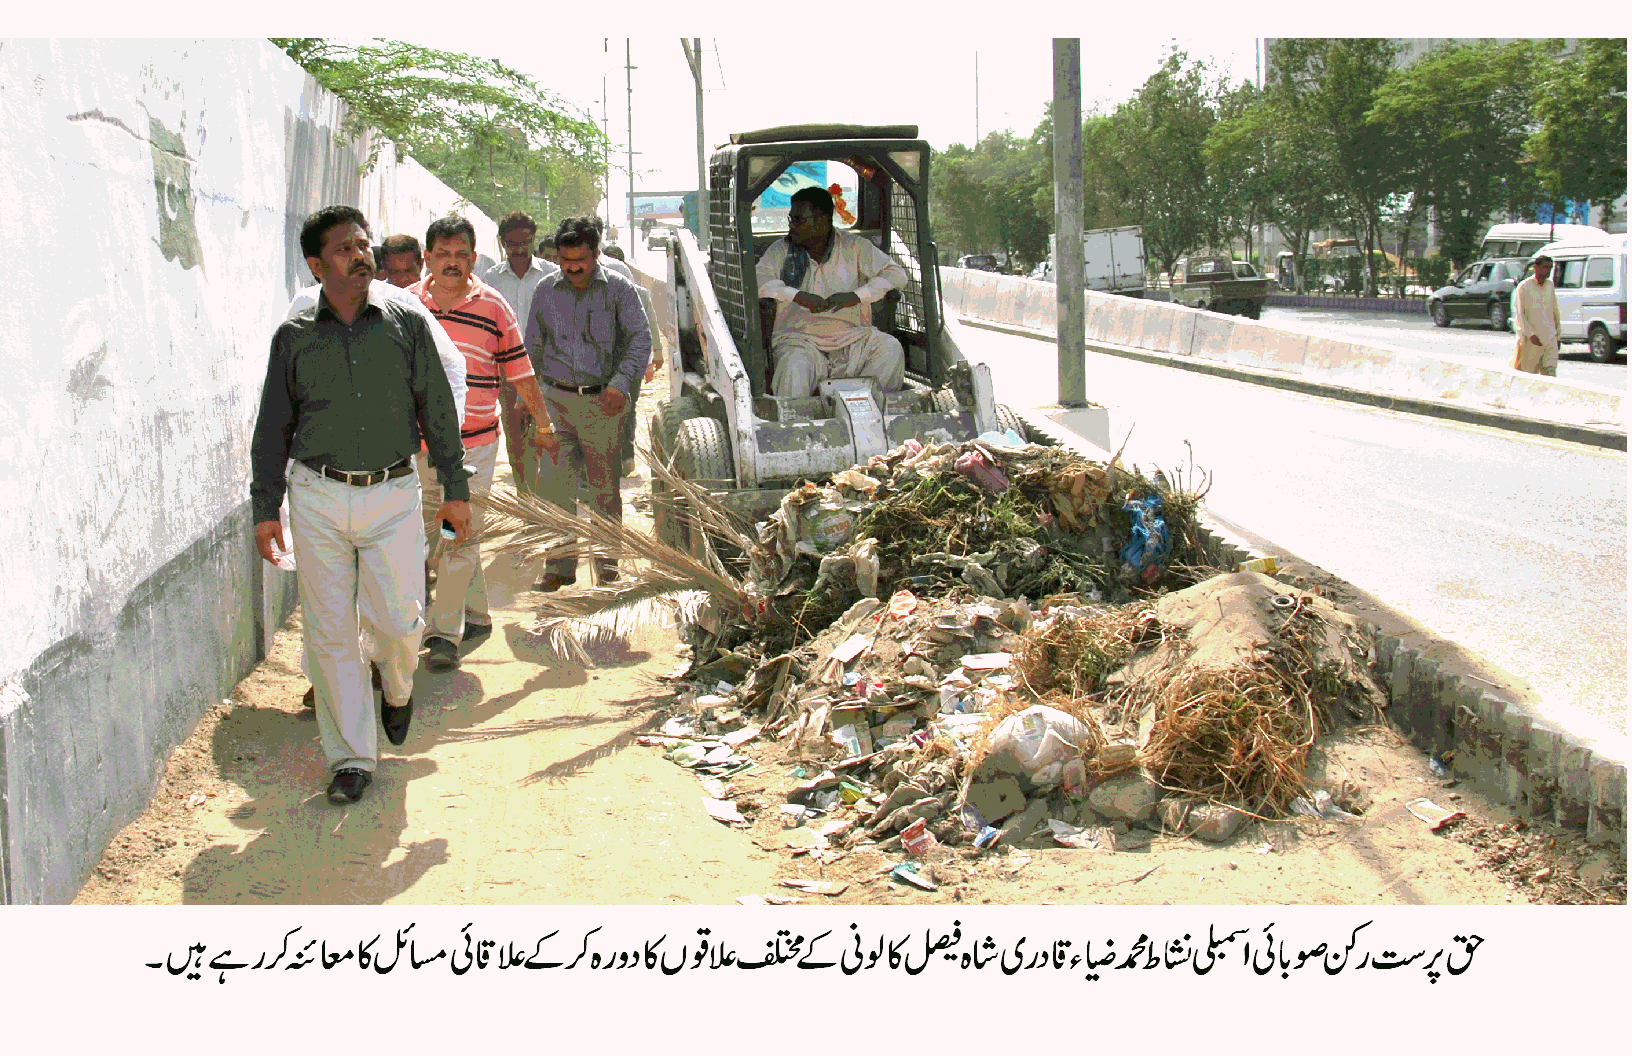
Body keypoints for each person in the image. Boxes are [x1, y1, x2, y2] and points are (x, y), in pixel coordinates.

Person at [250, 205, 472, 806]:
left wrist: (455, 491)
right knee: (330, 634)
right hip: (318, 496)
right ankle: (351, 757)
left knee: (399, 623)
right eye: (344, 248)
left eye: (362, 244)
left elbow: (438, 409)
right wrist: (266, 506)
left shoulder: (406, 322)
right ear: (317, 264)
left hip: (393, 493)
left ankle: (397, 690)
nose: (360, 255)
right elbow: (273, 424)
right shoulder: (295, 336)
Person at [283, 241, 468, 714]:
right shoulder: (303, 309)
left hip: (389, 479)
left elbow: (450, 370)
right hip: (322, 480)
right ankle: (329, 683)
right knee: (329, 597)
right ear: (319, 266)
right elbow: (285, 392)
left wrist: (431, 443)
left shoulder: (402, 311)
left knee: (389, 594)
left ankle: (389, 674)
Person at [414, 214, 554, 672]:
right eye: (443, 254)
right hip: (417, 449)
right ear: (427, 258)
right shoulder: (406, 307)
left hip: (473, 446)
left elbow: (520, 371)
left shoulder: (494, 307)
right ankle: (474, 614)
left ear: (474, 258)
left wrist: (544, 423)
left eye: (460, 254)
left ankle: (442, 635)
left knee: (458, 534)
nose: (451, 263)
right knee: (432, 534)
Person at [522, 215, 651, 591]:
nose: (573, 267)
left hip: (603, 405)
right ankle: (558, 567)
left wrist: (621, 384)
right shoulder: (545, 291)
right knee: (553, 487)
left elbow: (640, 339)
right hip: (556, 403)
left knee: (604, 491)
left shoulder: (620, 290)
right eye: (566, 260)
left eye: (581, 259)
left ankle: (608, 568)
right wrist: (529, 403)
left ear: (596, 254)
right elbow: (532, 348)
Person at [754, 185, 908, 398]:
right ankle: (796, 419)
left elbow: (897, 274)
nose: (791, 226)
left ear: (824, 220)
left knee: (890, 348)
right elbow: (758, 279)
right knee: (793, 365)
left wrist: (857, 296)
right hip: (799, 341)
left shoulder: (855, 246)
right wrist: (797, 296)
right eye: (791, 219)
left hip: (852, 338)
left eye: (799, 220)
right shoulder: (781, 249)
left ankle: (868, 410)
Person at [480, 211, 561, 487]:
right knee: (516, 440)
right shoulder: (491, 279)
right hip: (508, 373)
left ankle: (546, 500)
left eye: (525, 242)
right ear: (503, 243)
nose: (519, 249)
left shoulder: (551, 274)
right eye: (512, 243)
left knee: (547, 433)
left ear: (533, 239)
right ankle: (525, 498)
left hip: (547, 370)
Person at [598, 241, 666, 476]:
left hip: (631, 361)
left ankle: (626, 456)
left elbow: (650, 326)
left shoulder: (640, 294)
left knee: (628, 407)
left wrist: (655, 355)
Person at [1512, 254, 1562, 377]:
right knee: (1528, 376)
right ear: (1536, 267)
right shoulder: (1524, 287)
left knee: (1550, 373)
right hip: (1531, 340)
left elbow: (1554, 311)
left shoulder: (1550, 285)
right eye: (1545, 267)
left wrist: (1558, 336)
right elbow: (1520, 315)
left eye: (1550, 268)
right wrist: (1531, 335)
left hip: (1549, 337)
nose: (1548, 271)